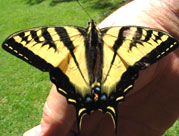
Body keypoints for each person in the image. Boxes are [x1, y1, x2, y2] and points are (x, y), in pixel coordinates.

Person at [24, 0, 179, 135]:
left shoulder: (68, 36)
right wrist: (166, 16)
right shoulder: (117, 35)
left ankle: (91, 97)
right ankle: (100, 97)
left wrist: (166, 18)